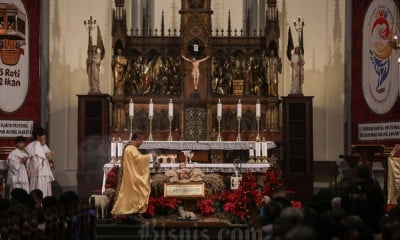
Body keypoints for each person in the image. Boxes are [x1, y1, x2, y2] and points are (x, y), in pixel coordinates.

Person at [111, 133, 157, 222]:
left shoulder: (130, 148)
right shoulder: (131, 149)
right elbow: (138, 159)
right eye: (141, 141)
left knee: (133, 195)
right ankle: (134, 215)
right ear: (137, 139)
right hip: (132, 177)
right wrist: (151, 156)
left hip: (131, 175)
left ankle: (134, 215)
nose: (141, 143)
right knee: (136, 193)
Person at [26, 126, 55, 197]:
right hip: (39, 174)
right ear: (38, 136)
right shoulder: (34, 145)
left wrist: (50, 161)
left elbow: (47, 158)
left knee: (46, 192)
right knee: (40, 191)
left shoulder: (44, 145)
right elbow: (36, 161)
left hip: (44, 173)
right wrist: (45, 156)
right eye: (43, 135)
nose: (45, 136)